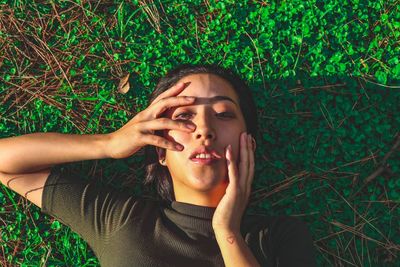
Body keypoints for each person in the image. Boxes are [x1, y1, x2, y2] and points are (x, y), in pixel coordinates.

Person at [0, 64, 317, 266]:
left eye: (223, 114)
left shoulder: (279, 238)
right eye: (183, 117)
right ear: (159, 151)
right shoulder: (121, 220)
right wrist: (109, 144)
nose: (205, 129)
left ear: (249, 141)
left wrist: (227, 231)